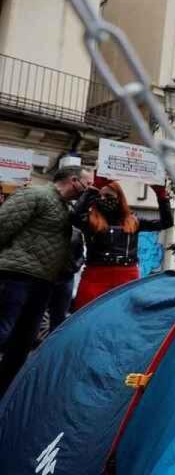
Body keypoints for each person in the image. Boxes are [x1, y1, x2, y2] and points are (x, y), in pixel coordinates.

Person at [0, 166, 93, 394]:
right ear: (74, 181)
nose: (90, 188)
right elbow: (3, 226)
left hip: (43, 281)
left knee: (23, 341)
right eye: (88, 184)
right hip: (16, 276)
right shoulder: (34, 195)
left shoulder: (68, 208)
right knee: (3, 330)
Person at [71, 176, 173, 309]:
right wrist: (92, 189)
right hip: (96, 275)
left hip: (126, 275)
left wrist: (162, 197)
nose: (103, 199)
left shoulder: (133, 221)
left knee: (124, 316)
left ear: (119, 197)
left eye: (108, 195)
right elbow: (74, 216)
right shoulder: (89, 220)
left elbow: (166, 223)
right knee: (85, 315)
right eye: (99, 196)